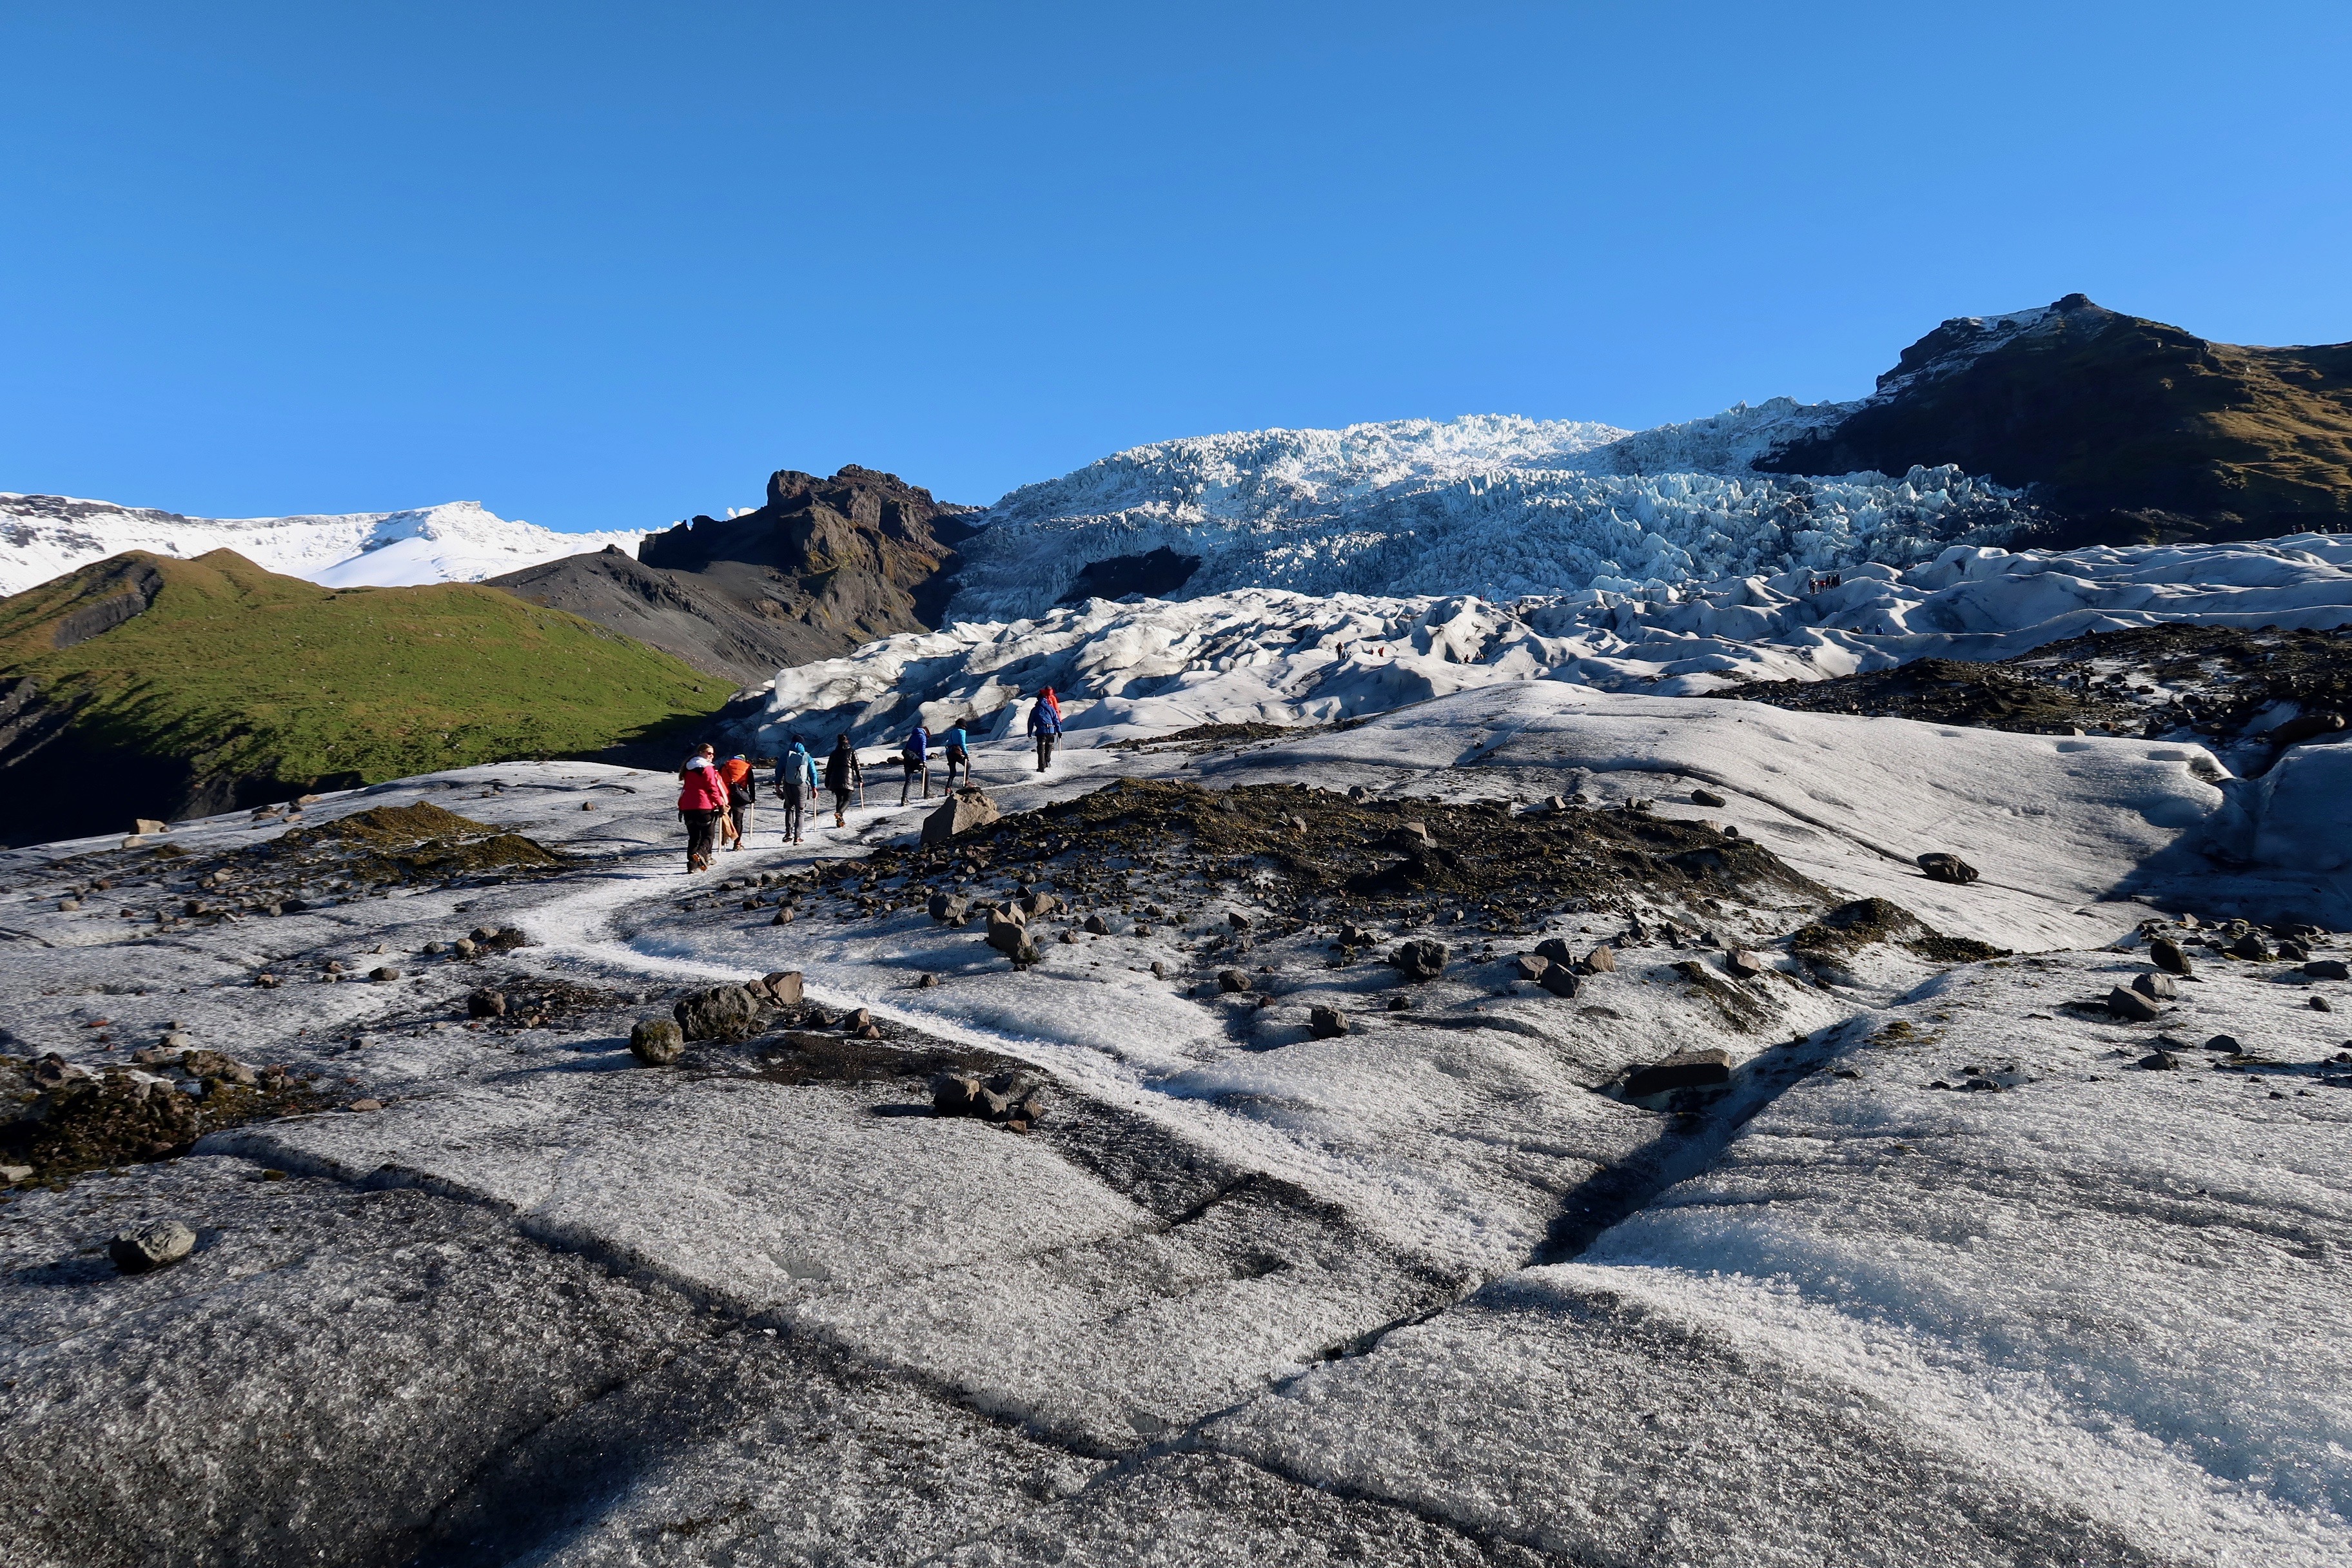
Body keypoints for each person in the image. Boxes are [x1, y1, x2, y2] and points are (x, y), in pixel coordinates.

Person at [676, 744, 729, 872]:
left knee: (694, 837)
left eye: (712, 754)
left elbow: (685, 789)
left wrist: (681, 806)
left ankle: (692, 865)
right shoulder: (707, 768)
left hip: (688, 806)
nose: (711, 756)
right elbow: (712, 788)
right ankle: (701, 854)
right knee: (708, 835)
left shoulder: (688, 768)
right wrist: (720, 804)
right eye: (708, 753)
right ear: (701, 753)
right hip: (704, 805)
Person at [773, 734, 818, 845]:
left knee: (789, 809)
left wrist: (778, 785)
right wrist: (814, 788)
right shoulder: (807, 757)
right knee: (800, 811)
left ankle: (788, 833)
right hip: (802, 786)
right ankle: (798, 837)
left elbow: (779, 771)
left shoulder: (785, 756)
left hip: (788, 785)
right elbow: (813, 773)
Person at [718, 752, 756, 848]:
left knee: (726, 818)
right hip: (740, 796)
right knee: (738, 820)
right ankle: (737, 844)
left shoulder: (724, 766)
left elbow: (718, 781)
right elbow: (751, 784)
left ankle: (724, 838)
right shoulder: (747, 767)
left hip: (726, 795)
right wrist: (752, 798)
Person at [824, 734, 861, 828]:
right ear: (847, 741)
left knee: (839, 800)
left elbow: (829, 769)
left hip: (835, 778)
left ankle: (839, 822)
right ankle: (839, 813)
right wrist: (860, 779)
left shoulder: (834, 753)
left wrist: (827, 782)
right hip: (847, 776)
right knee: (847, 799)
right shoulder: (851, 751)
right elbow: (857, 766)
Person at [1028, 687, 1063, 771]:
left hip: (1041, 731)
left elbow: (1031, 722)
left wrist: (1029, 733)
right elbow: (1056, 720)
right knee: (1049, 747)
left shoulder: (1035, 710)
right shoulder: (1051, 709)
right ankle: (1047, 762)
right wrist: (1059, 731)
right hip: (1051, 731)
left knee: (1041, 749)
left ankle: (1041, 767)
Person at [898, 723, 932, 805]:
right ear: (926, 733)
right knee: (927, 773)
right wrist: (924, 761)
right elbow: (922, 750)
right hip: (914, 759)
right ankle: (927, 793)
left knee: (909, 780)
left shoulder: (913, 735)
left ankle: (904, 799)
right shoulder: (922, 737)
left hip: (908, 758)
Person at [941, 718, 972, 787]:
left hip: (949, 752)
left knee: (953, 772)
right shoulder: (962, 731)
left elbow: (948, 743)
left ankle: (948, 788)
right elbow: (962, 743)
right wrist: (966, 754)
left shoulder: (952, 732)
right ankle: (966, 782)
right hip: (956, 752)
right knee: (968, 766)